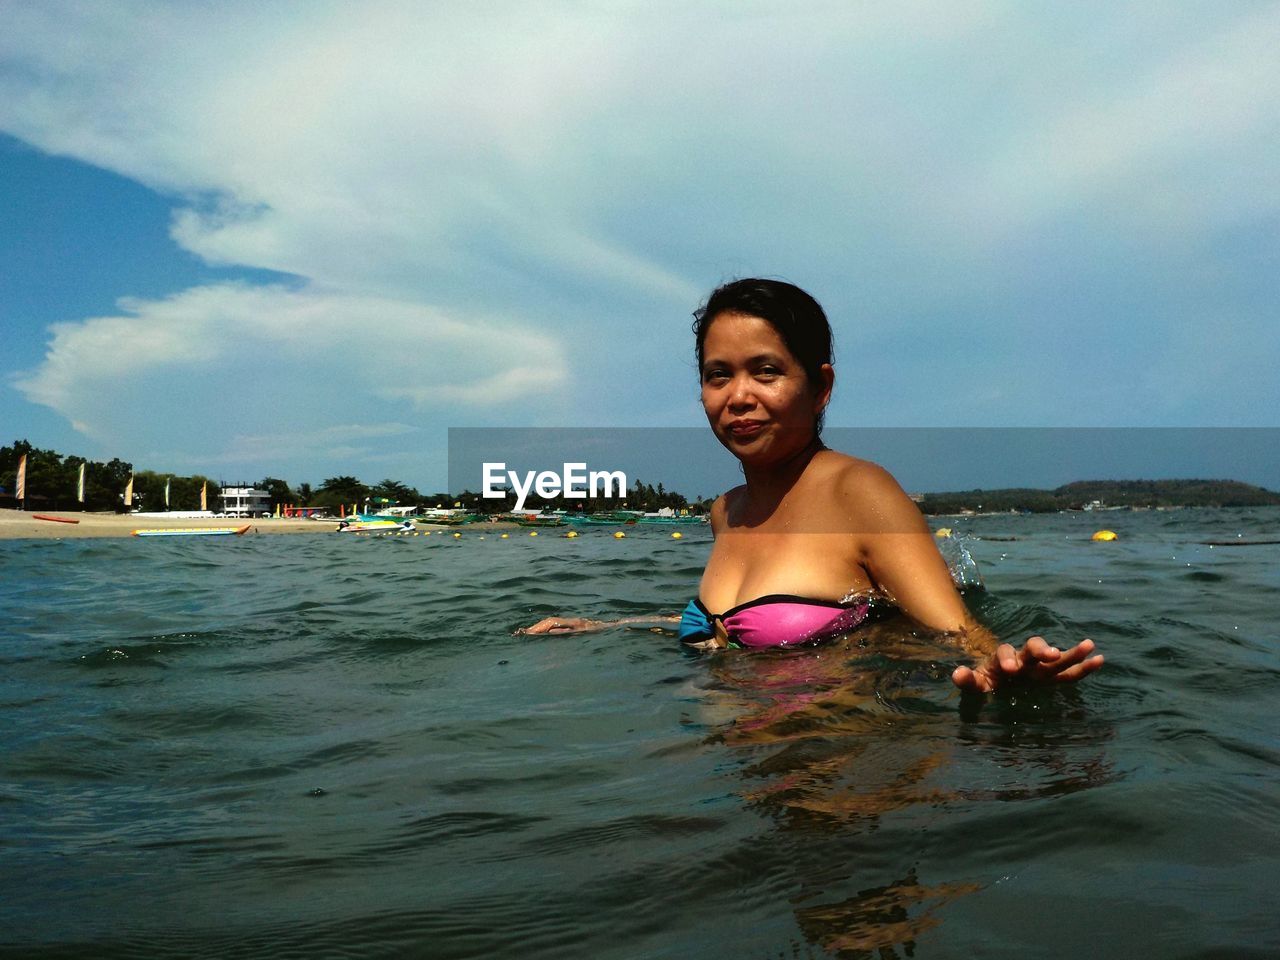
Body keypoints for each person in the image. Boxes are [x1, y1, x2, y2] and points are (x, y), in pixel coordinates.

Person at [522, 279, 1103, 693]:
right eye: (718, 375)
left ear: (820, 386)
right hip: (733, 778)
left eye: (766, 371)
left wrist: (1001, 669)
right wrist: (606, 626)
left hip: (838, 781)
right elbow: (736, 629)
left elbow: (956, 632)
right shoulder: (727, 511)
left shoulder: (860, 492)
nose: (739, 396)